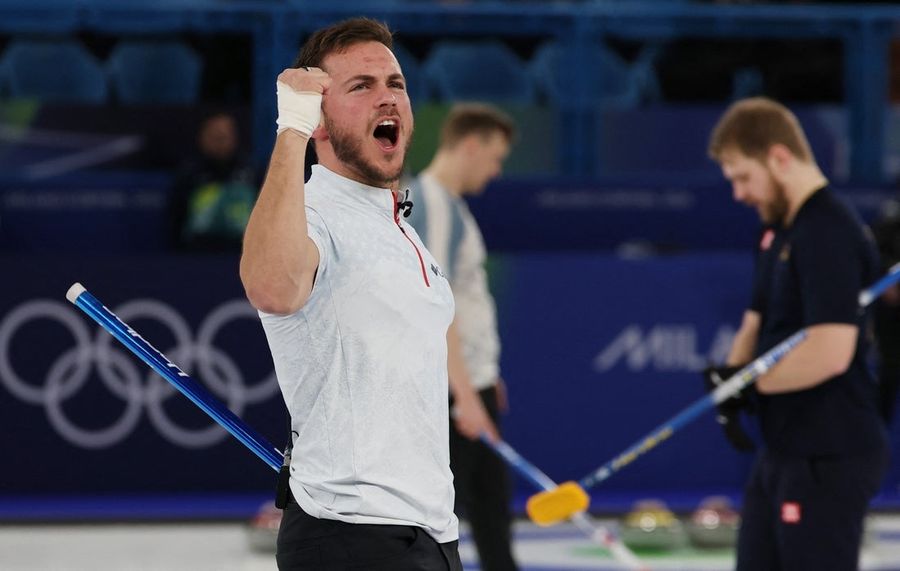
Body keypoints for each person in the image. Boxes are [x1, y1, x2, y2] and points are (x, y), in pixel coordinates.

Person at [239, 18, 461, 570]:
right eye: (361, 87)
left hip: (430, 535)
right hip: (351, 536)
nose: (386, 97)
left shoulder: (399, 225)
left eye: (396, 83)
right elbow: (271, 286)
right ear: (318, 117)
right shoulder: (313, 216)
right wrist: (291, 127)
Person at [705, 96, 889, 571]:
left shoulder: (827, 232)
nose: (738, 194)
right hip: (784, 450)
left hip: (828, 452)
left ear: (779, 158)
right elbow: (755, 320)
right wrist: (729, 377)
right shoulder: (778, 232)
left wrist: (752, 380)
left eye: (744, 178)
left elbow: (829, 351)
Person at [405, 103, 518, 571]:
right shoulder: (432, 203)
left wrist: (486, 378)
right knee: (445, 522)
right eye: (494, 158)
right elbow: (437, 308)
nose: (495, 172)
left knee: (492, 514)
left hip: (470, 381)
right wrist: (466, 393)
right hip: (452, 393)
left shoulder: (451, 207)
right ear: (470, 146)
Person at [168, 111, 259, 252]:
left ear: (235, 138)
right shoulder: (188, 174)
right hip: (197, 252)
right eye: (215, 137)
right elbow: (175, 219)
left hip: (242, 252)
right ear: (202, 138)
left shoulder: (253, 173)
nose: (220, 142)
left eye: (224, 137)